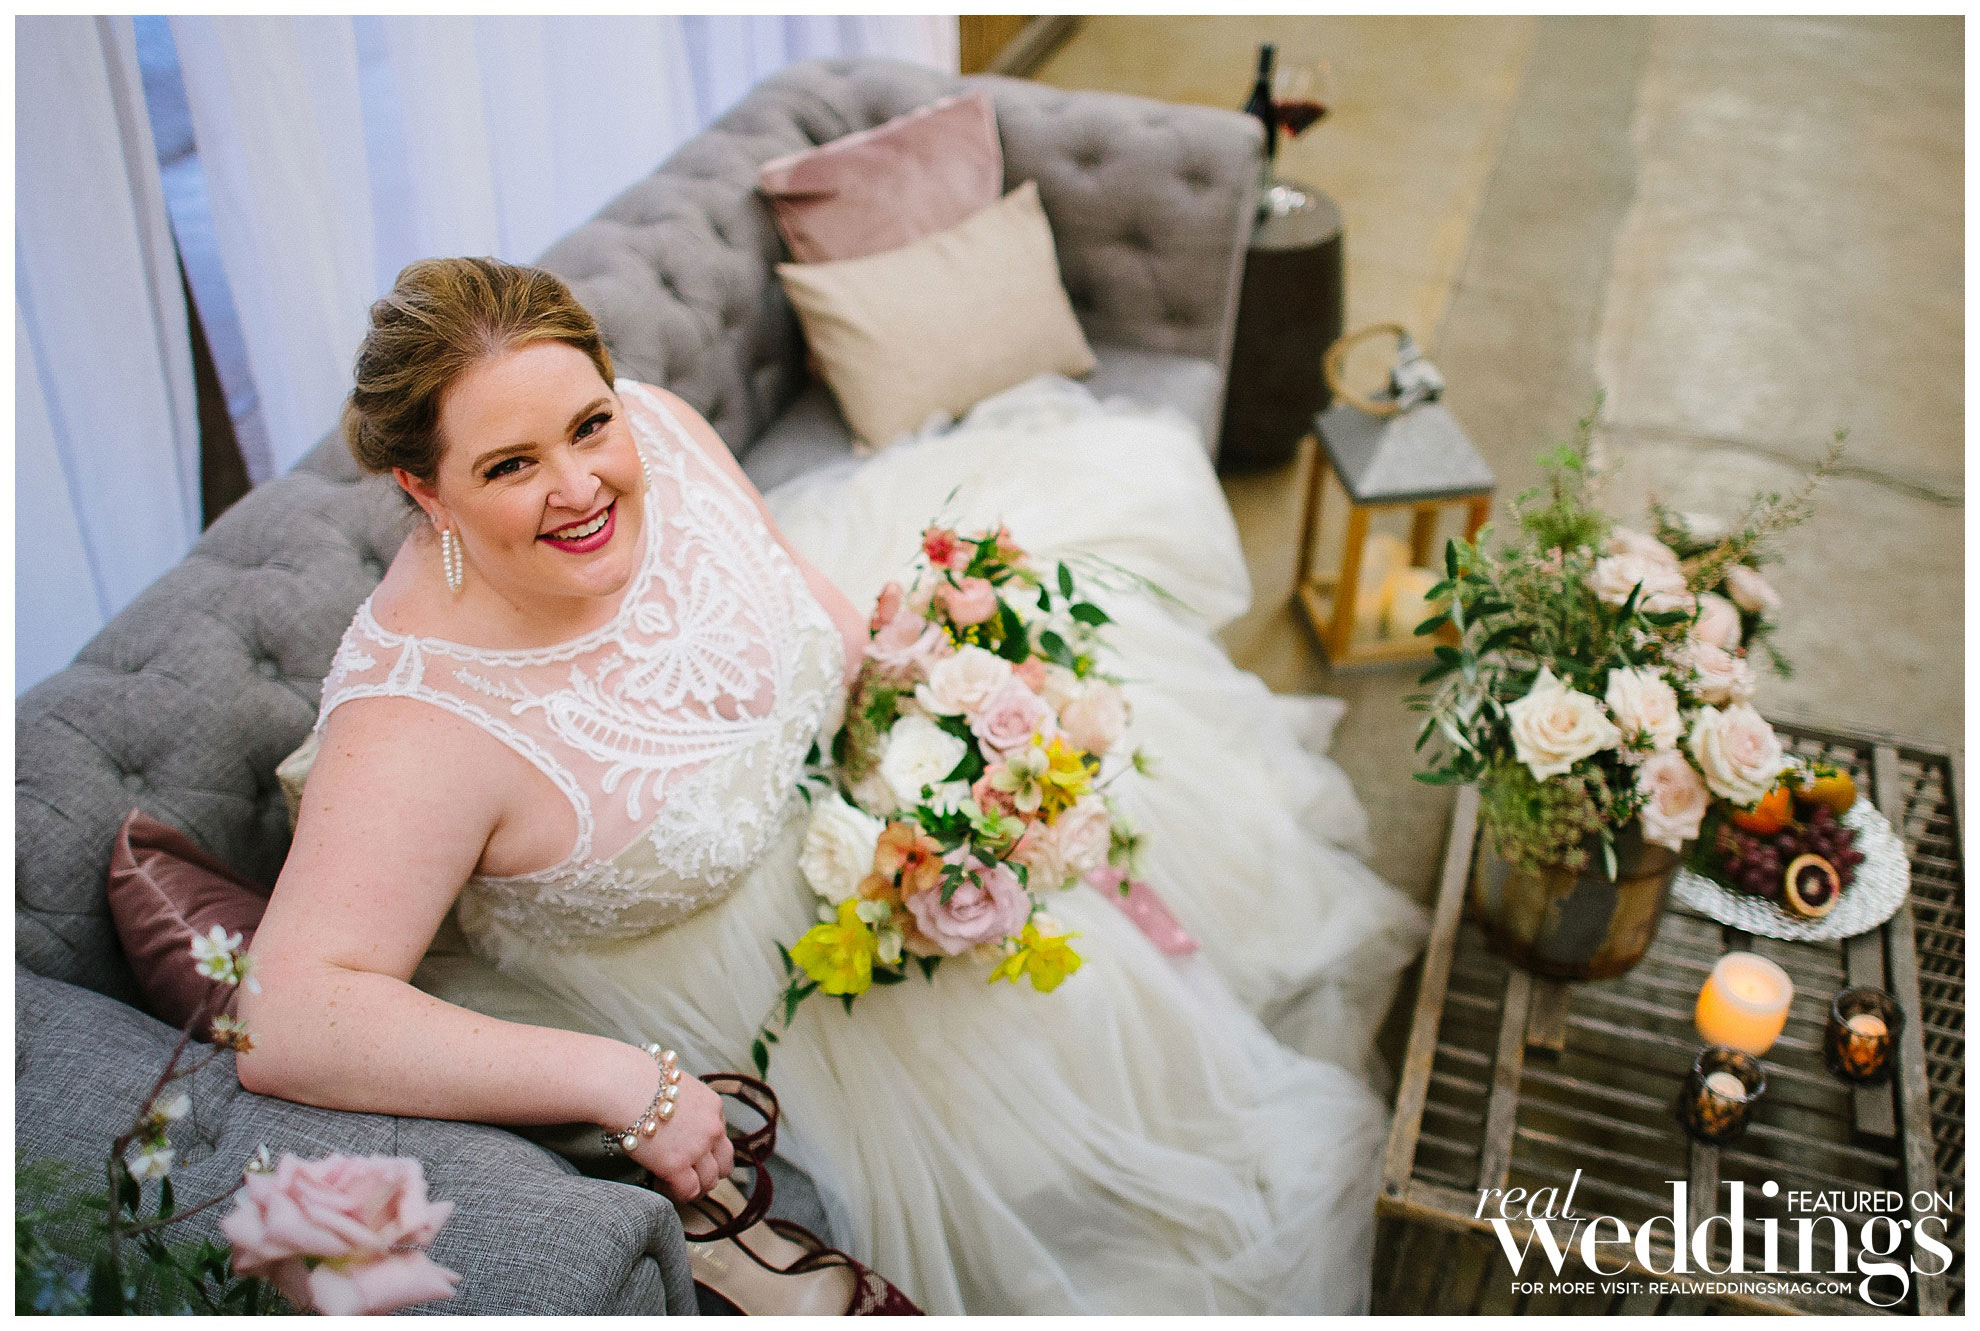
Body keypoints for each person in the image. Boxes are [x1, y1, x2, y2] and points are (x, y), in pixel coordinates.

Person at [241, 257, 1425, 1316]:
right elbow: (288, 1016)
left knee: (1121, 998)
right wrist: (619, 1080)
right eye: (510, 465)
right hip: (727, 994)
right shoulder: (418, 724)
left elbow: (791, 585)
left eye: (590, 424)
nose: (582, 484)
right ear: (425, 490)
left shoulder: (657, 431)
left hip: (865, 834)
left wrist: (944, 736)